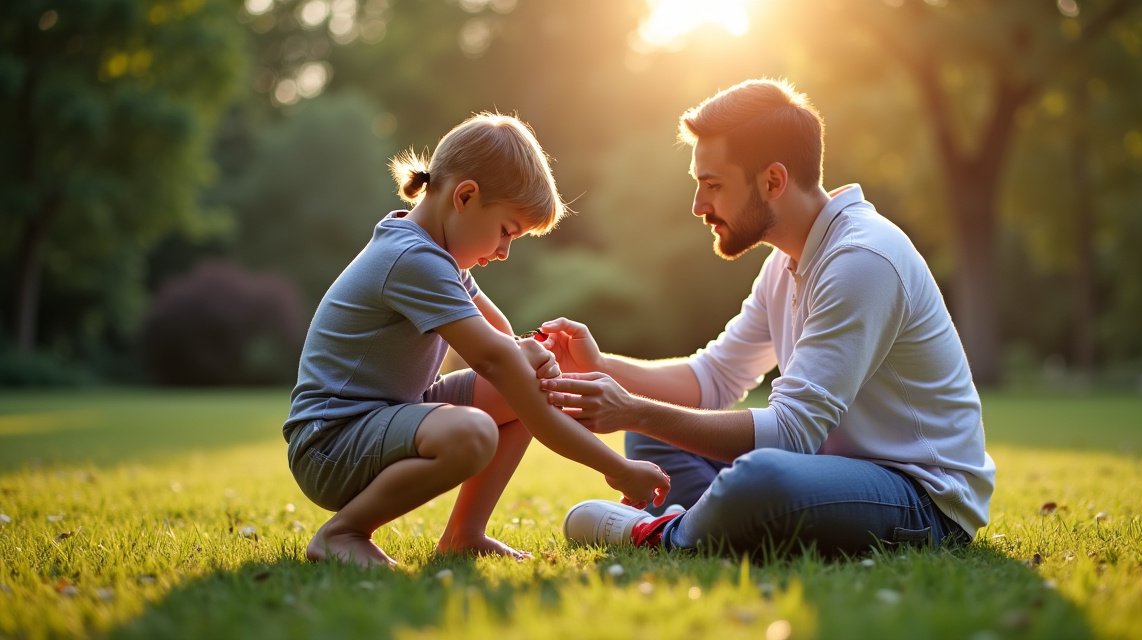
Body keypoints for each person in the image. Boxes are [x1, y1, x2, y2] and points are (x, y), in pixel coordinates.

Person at [539, 79, 995, 557]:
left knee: (760, 477)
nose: (698, 206)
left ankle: (660, 535)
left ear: (773, 181)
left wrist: (632, 406)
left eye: (712, 185)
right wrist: (600, 370)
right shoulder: (786, 261)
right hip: (825, 476)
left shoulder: (862, 259)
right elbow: (714, 375)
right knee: (653, 433)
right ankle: (703, 526)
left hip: (921, 498)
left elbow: (793, 434)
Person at [282, 113, 669, 567]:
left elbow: (503, 341)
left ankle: (465, 534)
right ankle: (342, 534)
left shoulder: (439, 256)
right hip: (330, 444)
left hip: (383, 416)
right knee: (476, 429)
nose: (505, 251)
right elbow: (497, 359)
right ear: (465, 196)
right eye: (506, 231)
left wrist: (533, 354)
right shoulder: (412, 259)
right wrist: (617, 468)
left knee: (524, 386)